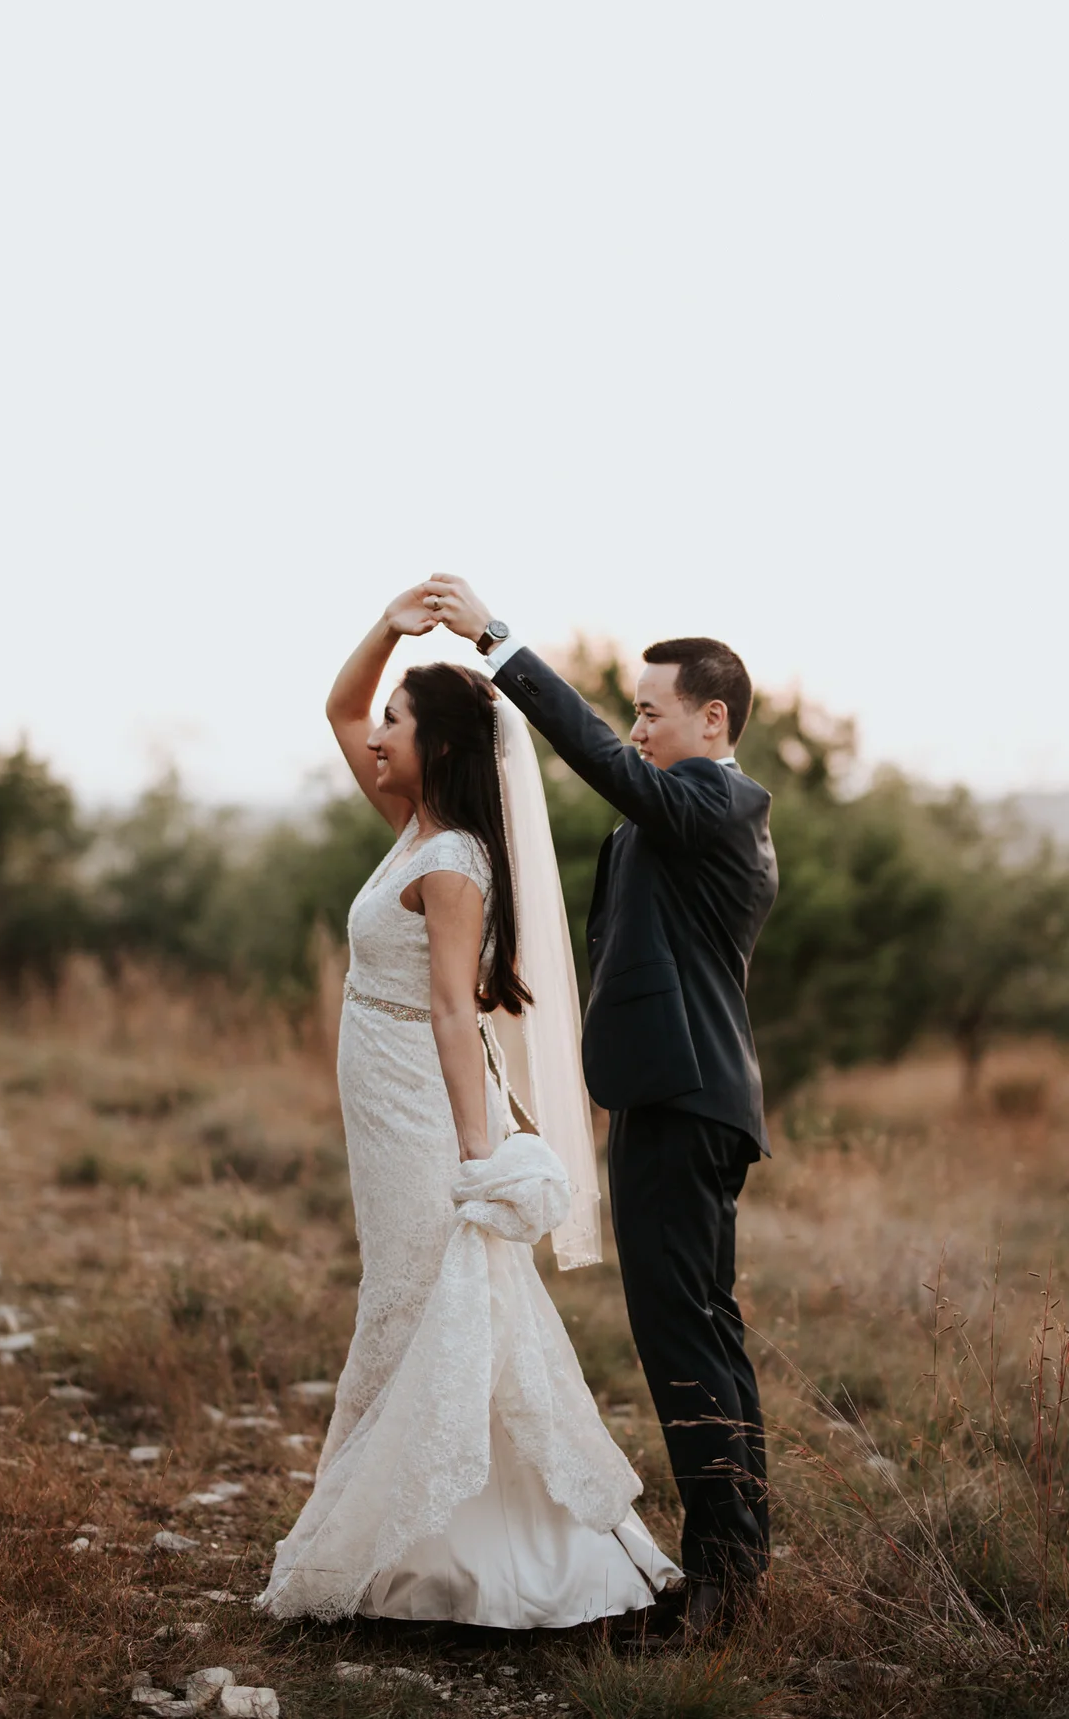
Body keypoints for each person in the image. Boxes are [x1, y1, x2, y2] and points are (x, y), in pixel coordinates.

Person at [254, 583, 677, 1629]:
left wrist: (481, 1162)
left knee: (422, 1296)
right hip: (387, 1106)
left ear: (435, 747)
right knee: (411, 1297)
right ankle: (413, 1540)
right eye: (389, 717)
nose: (378, 734)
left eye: (400, 720)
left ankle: (462, 1554)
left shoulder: (448, 860)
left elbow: (454, 1014)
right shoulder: (412, 824)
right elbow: (338, 713)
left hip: (425, 1115)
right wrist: (388, 631)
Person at [424, 574, 778, 1637]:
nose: (635, 726)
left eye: (650, 709)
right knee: (703, 1330)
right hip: (664, 1093)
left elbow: (605, 766)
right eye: (632, 708)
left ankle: (719, 1587)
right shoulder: (660, 827)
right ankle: (736, 1561)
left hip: (686, 1098)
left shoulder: (720, 800)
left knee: (683, 1336)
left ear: (712, 719)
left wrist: (498, 640)